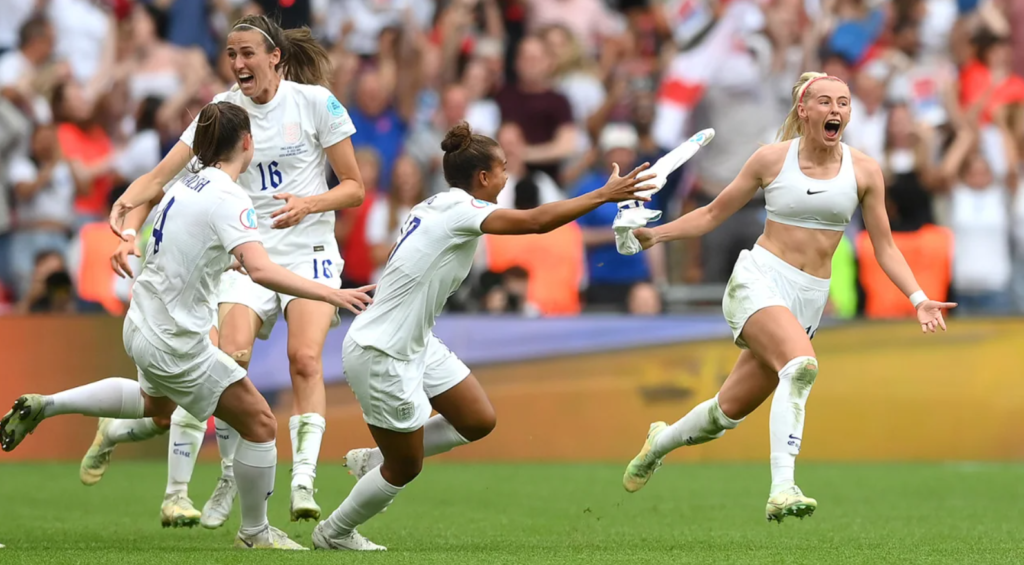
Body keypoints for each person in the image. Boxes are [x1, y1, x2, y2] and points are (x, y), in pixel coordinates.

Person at [0, 101, 373, 550]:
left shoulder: (184, 181)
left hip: (141, 322)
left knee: (152, 405)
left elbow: (187, 235)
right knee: (258, 422)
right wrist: (331, 292)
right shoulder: (230, 198)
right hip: (176, 340)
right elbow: (261, 270)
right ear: (248, 143)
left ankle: (48, 404)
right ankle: (254, 533)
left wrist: (219, 259)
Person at [620, 72, 957, 523]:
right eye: (824, 101)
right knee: (801, 368)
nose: (835, 109)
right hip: (759, 280)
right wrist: (655, 236)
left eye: (843, 102)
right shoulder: (771, 160)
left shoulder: (864, 170)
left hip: (809, 301)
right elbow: (713, 213)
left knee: (725, 414)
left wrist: (918, 298)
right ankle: (782, 488)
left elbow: (885, 247)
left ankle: (658, 443)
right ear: (804, 110)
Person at [313, 122, 654, 551]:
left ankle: (377, 458)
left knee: (476, 419)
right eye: (503, 169)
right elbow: (534, 222)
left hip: (412, 341)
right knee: (407, 468)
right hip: (381, 350)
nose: (508, 177)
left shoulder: (435, 204)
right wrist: (604, 195)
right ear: (483, 178)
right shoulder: (461, 212)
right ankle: (334, 532)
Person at [93, 14, 365, 528]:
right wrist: (124, 209)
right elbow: (159, 176)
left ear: (275, 57)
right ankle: (227, 474)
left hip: (309, 249)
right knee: (229, 360)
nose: (238, 64)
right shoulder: (222, 113)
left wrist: (309, 203)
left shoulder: (315, 103)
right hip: (246, 252)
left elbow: (354, 187)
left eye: (248, 54)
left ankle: (303, 481)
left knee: (304, 358)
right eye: (231, 55)